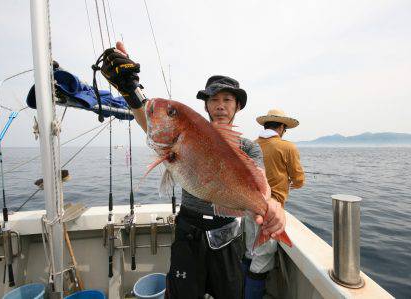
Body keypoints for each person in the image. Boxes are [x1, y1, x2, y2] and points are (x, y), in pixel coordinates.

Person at [101, 42, 288, 299]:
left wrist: (272, 208)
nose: (220, 105)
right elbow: (150, 122)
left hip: (228, 237)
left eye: (227, 99)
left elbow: (262, 186)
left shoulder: (248, 147)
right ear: (206, 106)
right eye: (214, 99)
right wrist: (129, 89)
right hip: (188, 231)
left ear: (238, 106)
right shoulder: (188, 133)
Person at [242, 109, 305, 299]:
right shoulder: (287, 147)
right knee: (263, 258)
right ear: (282, 128)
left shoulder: (251, 145)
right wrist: (290, 183)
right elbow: (299, 179)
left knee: (249, 252)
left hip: (249, 207)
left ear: (265, 126)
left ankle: (240, 292)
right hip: (271, 212)